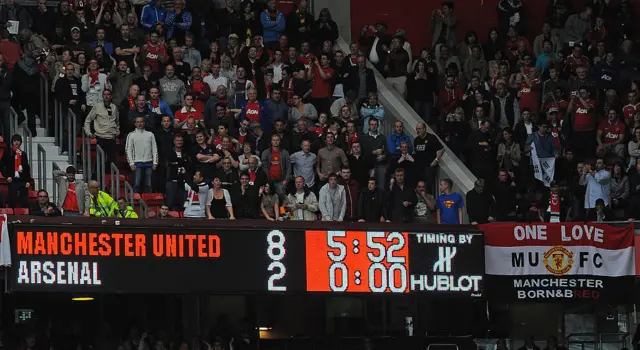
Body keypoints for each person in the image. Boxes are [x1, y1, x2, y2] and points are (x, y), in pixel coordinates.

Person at [84, 89, 120, 167]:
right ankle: (97, 177)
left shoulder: (114, 107)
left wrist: (117, 132)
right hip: (101, 137)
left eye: (108, 94)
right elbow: (88, 120)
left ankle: (110, 177)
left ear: (111, 96)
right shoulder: (97, 106)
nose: (106, 96)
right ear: (102, 96)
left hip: (111, 137)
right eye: (104, 94)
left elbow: (117, 122)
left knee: (112, 161)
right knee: (99, 160)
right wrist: (89, 133)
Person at [126, 116, 159, 193]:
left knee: (149, 185)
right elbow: (128, 150)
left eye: (141, 122)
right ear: (135, 124)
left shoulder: (150, 134)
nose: (139, 124)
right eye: (137, 122)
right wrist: (131, 163)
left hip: (149, 162)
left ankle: (149, 203)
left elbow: (154, 149)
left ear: (144, 123)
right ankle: (136, 202)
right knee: (136, 184)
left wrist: (155, 162)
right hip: (137, 162)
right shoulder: (131, 135)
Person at [0, 134, 31, 208]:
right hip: (12, 180)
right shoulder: (8, 152)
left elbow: (27, 168)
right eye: (15, 141)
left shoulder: (23, 154)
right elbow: (1, 166)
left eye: (18, 141)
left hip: (22, 180)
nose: (16, 142)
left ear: (21, 142)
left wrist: (28, 181)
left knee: (24, 201)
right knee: (12, 200)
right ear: (12, 142)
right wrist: (7, 176)